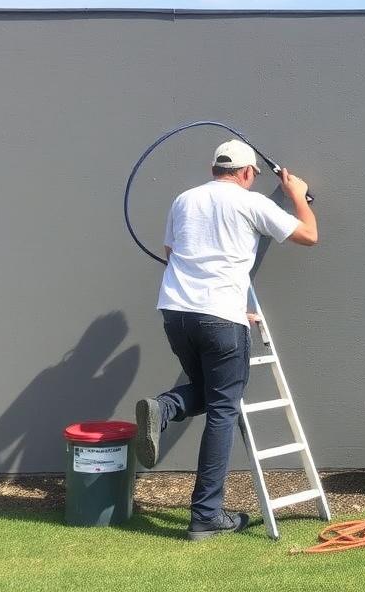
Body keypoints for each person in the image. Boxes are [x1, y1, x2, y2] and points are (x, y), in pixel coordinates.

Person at [134, 139, 318, 540]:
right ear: (249, 173)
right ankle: (205, 516)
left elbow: (171, 251)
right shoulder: (250, 203)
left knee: (207, 391)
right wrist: (297, 195)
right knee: (223, 408)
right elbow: (308, 234)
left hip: (176, 313)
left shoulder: (184, 200)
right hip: (220, 318)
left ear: (215, 168)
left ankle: (163, 408)